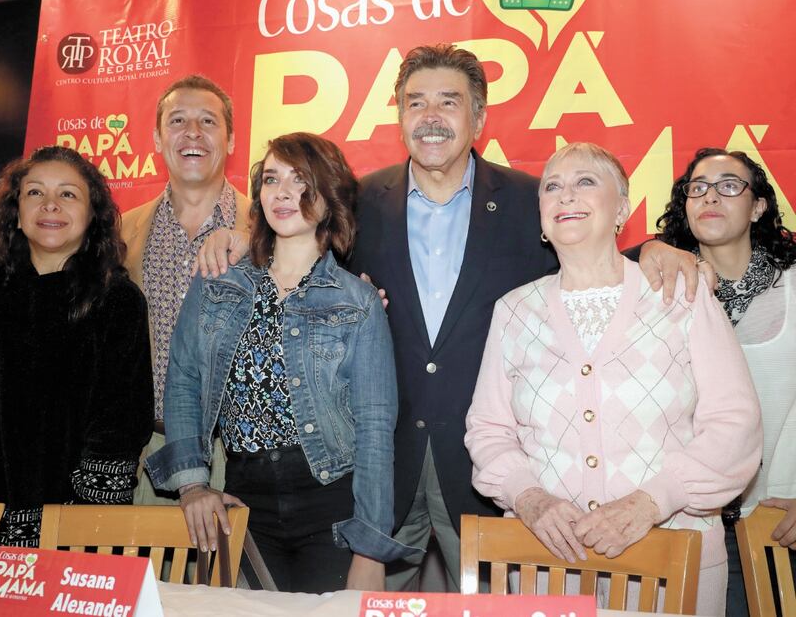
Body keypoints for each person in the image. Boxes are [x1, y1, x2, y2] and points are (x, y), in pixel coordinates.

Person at [193, 44, 709, 590]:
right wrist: (237, 236)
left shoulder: (530, 199)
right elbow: (295, 244)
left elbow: (590, 259)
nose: (431, 117)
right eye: (416, 103)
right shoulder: (359, 202)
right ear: (398, 116)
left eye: (449, 102)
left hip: (489, 474)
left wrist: (652, 250)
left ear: (480, 117)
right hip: (382, 468)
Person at [464, 142, 762, 614]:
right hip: (544, 569)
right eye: (552, 187)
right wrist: (529, 497)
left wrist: (651, 502)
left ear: (622, 208)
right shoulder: (514, 311)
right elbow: (488, 430)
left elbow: (735, 425)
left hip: (670, 563)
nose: (566, 196)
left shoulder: (681, 292)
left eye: (586, 182)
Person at [146, 132, 413, 592]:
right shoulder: (218, 282)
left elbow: (374, 428)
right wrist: (192, 485)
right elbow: (184, 380)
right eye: (272, 179)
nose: (284, 193)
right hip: (241, 500)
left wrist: (370, 548)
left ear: (329, 198)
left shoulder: (359, 301)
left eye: (302, 181)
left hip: (331, 505)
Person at [657, 147, 796, 615]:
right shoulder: (655, 294)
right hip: (689, 526)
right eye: (697, 188)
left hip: (782, 525)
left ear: (758, 206)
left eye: (729, 185)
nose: (710, 196)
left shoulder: (794, 286)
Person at [0, 146, 153, 547]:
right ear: (16, 209)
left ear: (92, 213)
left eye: (68, 194)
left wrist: (83, 522)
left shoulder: (117, 300)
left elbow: (122, 419)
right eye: (35, 193)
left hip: (74, 524)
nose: (50, 205)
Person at [122, 75, 252, 505]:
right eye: (178, 121)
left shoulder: (269, 227)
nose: (192, 133)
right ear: (157, 140)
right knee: (145, 575)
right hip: (146, 454)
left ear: (231, 140)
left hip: (238, 455)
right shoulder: (121, 233)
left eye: (208, 122)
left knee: (232, 575)